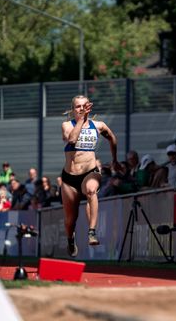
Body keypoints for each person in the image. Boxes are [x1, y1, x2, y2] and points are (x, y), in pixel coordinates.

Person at [61, 95, 121, 257]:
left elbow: (112, 138)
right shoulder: (67, 125)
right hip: (70, 177)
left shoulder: (99, 125)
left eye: (84, 106)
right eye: (77, 107)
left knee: (91, 190)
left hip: (90, 171)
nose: (81, 109)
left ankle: (92, 231)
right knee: (70, 220)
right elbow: (72, 139)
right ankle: (70, 238)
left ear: (89, 107)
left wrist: (114, 159)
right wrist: (81, 120)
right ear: (72, 110)